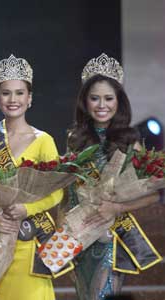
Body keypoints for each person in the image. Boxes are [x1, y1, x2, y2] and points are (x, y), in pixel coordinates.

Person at [65, 53, 161, 300]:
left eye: (108, 98)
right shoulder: (74, 140)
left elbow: (152, 194)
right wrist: (65, 234)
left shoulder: (130, 141)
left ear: (119, 101)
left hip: (111, 238)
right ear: (85, 102)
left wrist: (117, 207)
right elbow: (68, 192)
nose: (101, 105)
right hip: (80, 238)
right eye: (94, 98)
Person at [0, 54, 64, 299]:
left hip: (31, 240)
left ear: (30, 98)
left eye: (19, 93)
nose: (13, 99)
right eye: (6, 93)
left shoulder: (44, 141)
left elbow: (57, 191)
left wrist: (27, 208)